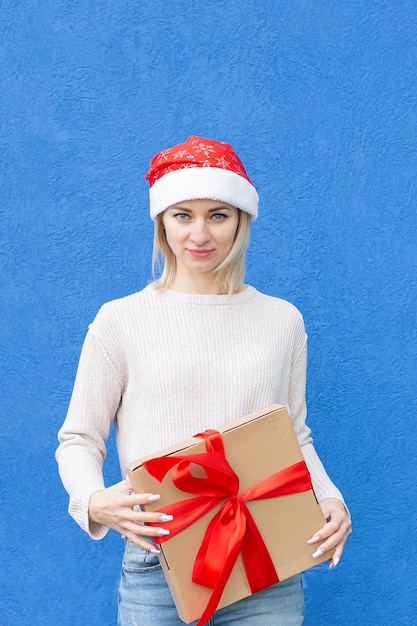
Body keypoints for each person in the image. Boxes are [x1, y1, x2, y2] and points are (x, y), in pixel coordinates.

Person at [56, 135, 351, 625]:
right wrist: (93, 499)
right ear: (161, 222)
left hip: (267, 557)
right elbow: (78, 439)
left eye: (218, 214)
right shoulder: (120, 320)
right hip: (159, 561)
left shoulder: (282, 320)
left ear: (241, 221)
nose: (200, 234)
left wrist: (330, 498)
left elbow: (293, 434)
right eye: (182, 215)